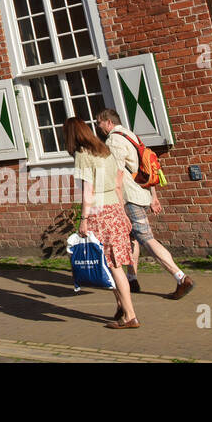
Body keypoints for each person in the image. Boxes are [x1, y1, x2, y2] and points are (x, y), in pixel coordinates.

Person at [96, 109, 193, 300]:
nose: (97, 126)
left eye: (98, 122)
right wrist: (153, 196)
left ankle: (181, 277)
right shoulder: (131, 135)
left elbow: (117, 175)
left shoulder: (114, 140)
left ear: (108, 122)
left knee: (147, 238)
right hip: (141, 193)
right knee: (132, 237)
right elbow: (146, 166)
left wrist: (117, 203)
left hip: (129, 197)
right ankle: (132, 279)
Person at [65, 117, 138, 329]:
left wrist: (83, 219)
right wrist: (123, 213)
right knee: (112, 263)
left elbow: (88, 192)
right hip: (114, 207)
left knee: (112, 266)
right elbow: (118, 184)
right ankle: (121, 306)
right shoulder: (105, 150)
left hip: (99, 212)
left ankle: (130, 316)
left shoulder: (82, 155)